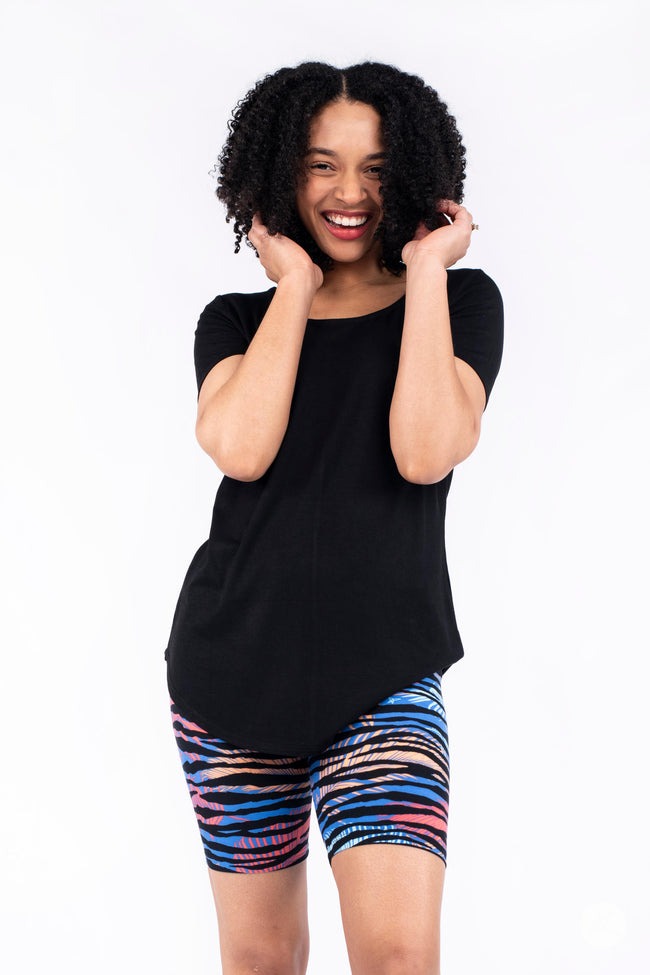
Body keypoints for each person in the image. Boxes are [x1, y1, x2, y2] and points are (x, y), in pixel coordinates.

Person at [164, 60, 503, 975]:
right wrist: (296, 287)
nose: (350, 192)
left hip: (383, 675)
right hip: (229, 675)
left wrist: (425, 268)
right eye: (321, 164)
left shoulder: (458, 303)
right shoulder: (236, 319)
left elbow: (426, 450)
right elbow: (240, 447)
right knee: (263, 960)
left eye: (377, 168)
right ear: (281, 171)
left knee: (398, 958)